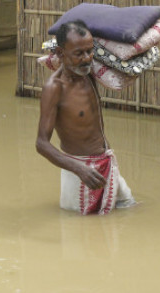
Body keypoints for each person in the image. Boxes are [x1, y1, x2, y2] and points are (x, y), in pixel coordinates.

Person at [35, 20, 136, 214]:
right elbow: (41, 144)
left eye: (90, 51)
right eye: (79, 53)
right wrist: (79, 169)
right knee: (79, 228)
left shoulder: (89, 73)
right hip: (79, 173)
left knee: (129, 208)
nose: (87, 58)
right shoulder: (55, 88)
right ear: (61, 53)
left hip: (106, 162)